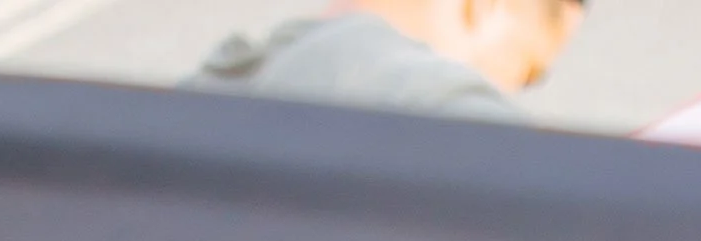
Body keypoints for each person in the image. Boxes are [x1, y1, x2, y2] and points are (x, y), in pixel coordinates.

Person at [192, 0, 582, 121]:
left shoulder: (208, 91)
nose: (512, 91)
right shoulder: (445, 110)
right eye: (529, 71)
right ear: (486, 8)